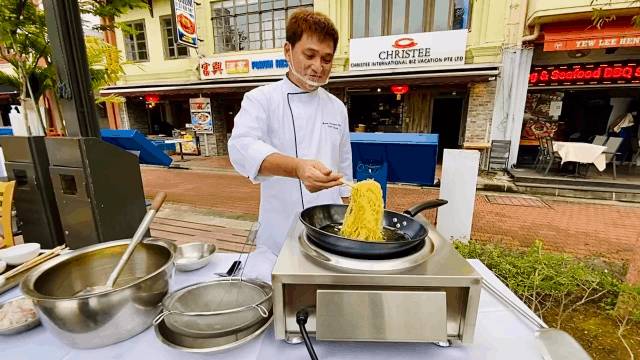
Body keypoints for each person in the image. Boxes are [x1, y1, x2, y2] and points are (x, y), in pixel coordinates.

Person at [227, 10, 353, 281]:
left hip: (330, 236)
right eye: (309, 55)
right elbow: (241, 147)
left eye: (327, 59)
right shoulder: (261, 99)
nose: (318, 67)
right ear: (288, 50)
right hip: (278, 235)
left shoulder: (337, 108)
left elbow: (344, 173)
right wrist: (297, 168)